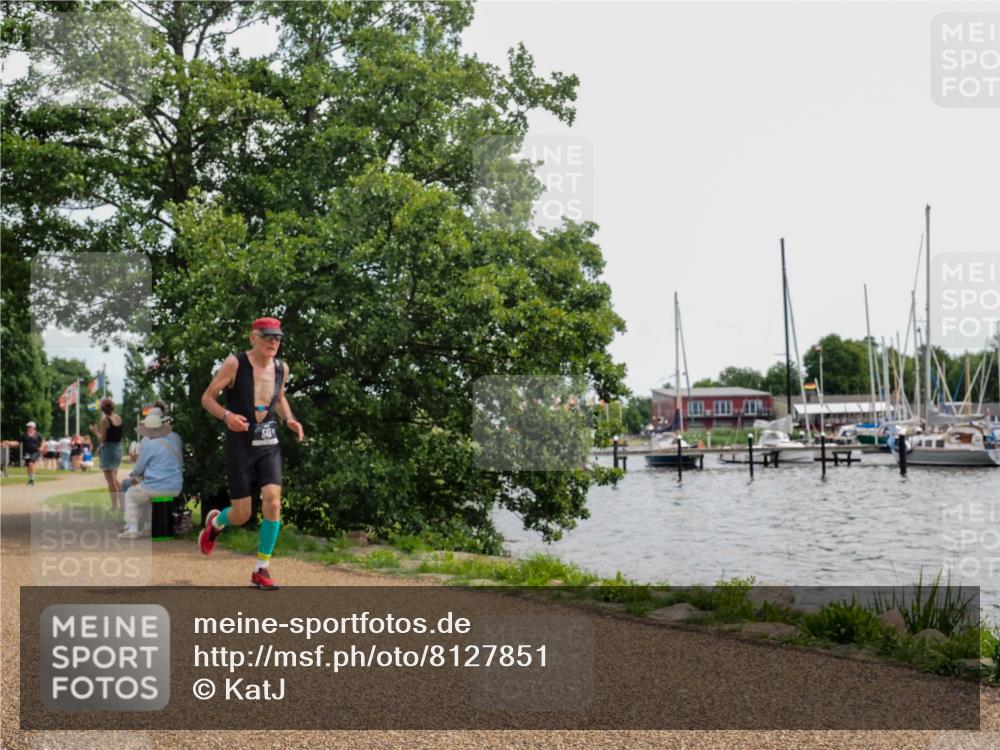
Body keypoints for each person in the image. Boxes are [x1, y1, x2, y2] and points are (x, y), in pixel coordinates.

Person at [198, 317, 304, 589]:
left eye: (277, 338)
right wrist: (227, 416)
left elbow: (279, 398)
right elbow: (207, 398)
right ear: (252, 337)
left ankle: (261, 568)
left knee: (273, 501)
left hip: (268, 443)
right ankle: (216, 523)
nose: (273, 342)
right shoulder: (235, 364)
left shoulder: (282, 368)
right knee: (242, 514)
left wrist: (289, 419)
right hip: (240, 445)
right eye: (267, 337)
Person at [118, 409, 183, 539]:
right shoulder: (174, 440)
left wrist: (134, 472)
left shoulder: (150, 445)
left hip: (156, 487)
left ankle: (132, 529)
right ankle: (148, 527)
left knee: (131, 494)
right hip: (176, 487)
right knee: (145, 495)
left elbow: (138, 469)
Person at [90, 398, 124, 512]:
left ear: (103, 409)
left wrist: (95, 431)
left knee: (111, 480)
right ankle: (122, 503)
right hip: (118, 449)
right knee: (114, 478)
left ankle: (115, 506)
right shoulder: (118, 417)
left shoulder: (105, 420)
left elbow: (102, 439)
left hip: (109, 450)